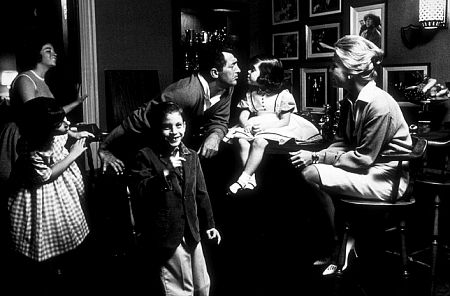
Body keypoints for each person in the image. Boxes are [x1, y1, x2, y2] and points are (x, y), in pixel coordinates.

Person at [289, 35, 412, 275]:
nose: (331, 69)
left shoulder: (379, 105)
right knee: (306, 171)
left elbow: (363, 158)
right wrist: (319, 154)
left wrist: (315, 158)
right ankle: (347, 237)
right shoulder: (350, 101)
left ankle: (339, 243)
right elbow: (341, 143)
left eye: (335, 64)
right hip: (365, 170)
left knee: (311, 173)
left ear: (351, 71)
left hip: (385, 178)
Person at [98, 44, 241, 175]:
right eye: (233, 66)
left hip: (183, 146)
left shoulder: (227, 87)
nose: (238, 70)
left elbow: (220, 120)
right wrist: (105, 147)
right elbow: (139, 119)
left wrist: (215, 136)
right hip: (148, 145)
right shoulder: (185, 93)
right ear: (215, 73)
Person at [127, 101, 221, 295]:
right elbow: (140, 192)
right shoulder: (145, 155)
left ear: (185, 126)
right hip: (166, 234)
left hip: (191, 231)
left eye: (178, 125)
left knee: (202, 286)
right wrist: (165, 173)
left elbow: (200, 193)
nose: (174, 132)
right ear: (157, 129)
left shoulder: (192, 156)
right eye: (167, 127)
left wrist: (209, 224)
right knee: (180, 289)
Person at [7, 97, 93, 288]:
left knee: (68, 222)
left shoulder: (50, 132)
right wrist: (73, 154)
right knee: (44, 226)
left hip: (63, 187)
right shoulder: (32, 149)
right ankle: (49, 269)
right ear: (45, 129)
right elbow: (45, 177)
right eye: (61, 124)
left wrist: (75, 134)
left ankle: (66, 261)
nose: (67, 123)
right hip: (40, 193)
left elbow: (64, 131)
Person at [224, 55, 320, 195]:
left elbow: (284, 121)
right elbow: (243, 115)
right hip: (254, 123)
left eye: (252, 70)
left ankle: (244, 178)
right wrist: (246, 125)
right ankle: (250, 177)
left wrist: (264, 128)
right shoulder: (250, 94)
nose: (248, 72)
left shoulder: (283, 95)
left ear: (266, 74)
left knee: (259, 141)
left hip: (276, 125)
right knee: (242, 141)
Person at [0, 38, 87, 189]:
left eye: (53, 50)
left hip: (42, 137)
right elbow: (37, 117)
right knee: (29, 187)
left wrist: (76, 106)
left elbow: (52, 115)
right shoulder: (25, 79)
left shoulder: (43, 81)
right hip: (26, 138)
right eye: (48, 50)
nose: (54, 53)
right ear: (36, 55)